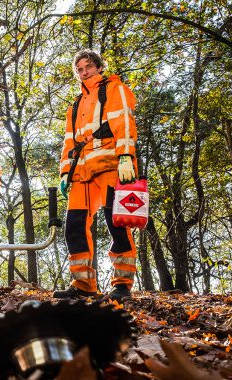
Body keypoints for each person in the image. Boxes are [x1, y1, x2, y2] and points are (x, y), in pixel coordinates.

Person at [54, 50, 138, 300]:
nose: (83, 72)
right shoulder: (76, 105)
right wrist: (65, 172)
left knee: (118, 225)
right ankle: (83, 285)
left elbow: (124, 122)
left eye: (88, 66)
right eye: (79, 69)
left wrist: (125, 156)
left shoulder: (114, 89)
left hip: (111, 165)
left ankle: (122, 285)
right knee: (74, 227)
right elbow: (69, 142)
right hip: (81, 172)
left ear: (99, 67)